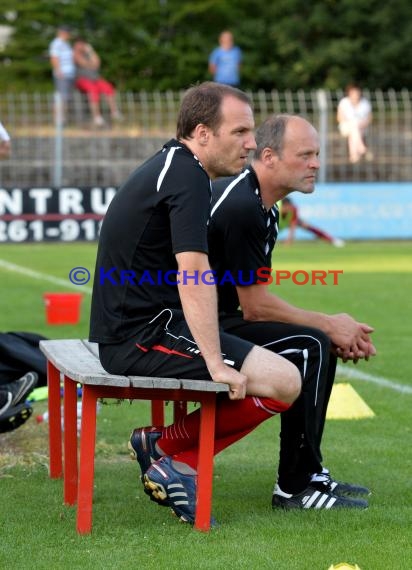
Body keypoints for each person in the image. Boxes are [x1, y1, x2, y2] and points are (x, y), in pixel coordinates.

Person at [89, 82, 303, 525]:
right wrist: (214, 361)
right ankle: (173, 457)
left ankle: (164, 449)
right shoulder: (186, 175)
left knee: (281, 371)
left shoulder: (176, 165)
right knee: (283, 381)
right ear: (203, 132)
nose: (251, 142)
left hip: (149, 327)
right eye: (240, 131)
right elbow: (194, 273)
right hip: (140, 337)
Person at [208, 114, 376, 510]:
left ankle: (310, 473)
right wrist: (332, 324)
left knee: (315, 342)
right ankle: (295, 487)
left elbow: (253, 298)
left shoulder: (263, 207)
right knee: (311, 344)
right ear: (268, 157)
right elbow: (254, 307)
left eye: (316, 154)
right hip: (181, 327)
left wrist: (332, 328)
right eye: (305, 155)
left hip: (213, 318)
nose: (316, 163)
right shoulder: (243, 205)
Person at [73, 38, 123, 128]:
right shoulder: (74, 54)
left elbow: (97, 63)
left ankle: (114, 112)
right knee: (93, 90)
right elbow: (83, 63)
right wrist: (91, 64)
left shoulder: (88, 53)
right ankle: (97, 117)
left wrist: (91, 51)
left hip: (95, 79)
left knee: (108, 87)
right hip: (82, 80)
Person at [279, 196, 345, 247]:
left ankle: (332, 240)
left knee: (307, 225)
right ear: (283, 206)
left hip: (286, 222)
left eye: (290, 206)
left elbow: (292, 225)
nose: (289, 209)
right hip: (276, 223)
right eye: (287, 207)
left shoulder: (293, 209)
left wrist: (289, 240)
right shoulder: (276, 209)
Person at [337, 84, 373, 164]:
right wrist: (352, 123)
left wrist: (359, 124)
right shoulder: (344, 102)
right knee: (354, 126)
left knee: (354, 131)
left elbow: (369, 118)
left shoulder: (365, 103)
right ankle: (361, 149)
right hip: (346, 127)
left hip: (362, 127)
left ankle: (354, 156)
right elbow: (339, 118)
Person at [49, 25, 76, 124]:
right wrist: (58, 70)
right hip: (62, 74)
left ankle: (63, 118)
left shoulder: (66, 43)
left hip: (69, 73)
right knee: (61, 96)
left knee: (66, 97)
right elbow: (54, 57)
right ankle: (58, 119)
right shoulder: (56, 43)